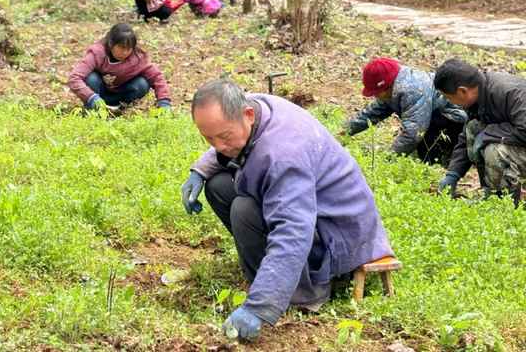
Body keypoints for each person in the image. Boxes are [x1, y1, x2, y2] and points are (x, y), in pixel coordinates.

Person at [180, 79, 392, 342]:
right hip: (313, 209)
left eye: (224, 136)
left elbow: (293, 232)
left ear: (247, 115)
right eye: (208, 138)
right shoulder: (254, 108)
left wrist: (260, 305)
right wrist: (200, 171)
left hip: (339, 237)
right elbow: (222, 142)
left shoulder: (283, 154)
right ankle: (270, 273)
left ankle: (305, 291)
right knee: (219, 185)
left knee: (244, 210)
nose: (218, 146)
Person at [435, 59, 526, 205]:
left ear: (462, 91)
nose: (449, 102)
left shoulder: (510, 92)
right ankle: (489, 191)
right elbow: (466, 137)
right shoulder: (478, 96)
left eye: (448, 97)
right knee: (473, 130)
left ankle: (504, 203)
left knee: (495, 150)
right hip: (518, 142)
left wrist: (488, 133)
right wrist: (453, 174)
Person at [344, 58, 466, 166]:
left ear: (386, 86)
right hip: (434, 116)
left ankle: (448, 158)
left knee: (428, 155)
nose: (374, 96)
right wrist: (344, 131)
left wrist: (386, 160)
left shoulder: (412, 91)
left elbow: (412, 134)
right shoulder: (393, 86)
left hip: (456, 121)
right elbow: (373, 113)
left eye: (376, 92)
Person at [68, 23, 172, 112]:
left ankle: (120, 109)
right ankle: (95, 110)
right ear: (111, 43)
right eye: (121, 47)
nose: (125, 52)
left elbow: (157, 77)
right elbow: (74, 77)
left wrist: (164, 101)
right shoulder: (97, 53)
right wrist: (90, 97)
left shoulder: (137, 58)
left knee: (142, 84)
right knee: (92, 78)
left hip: (122, 95)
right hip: (98, 94)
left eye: (129, 49)